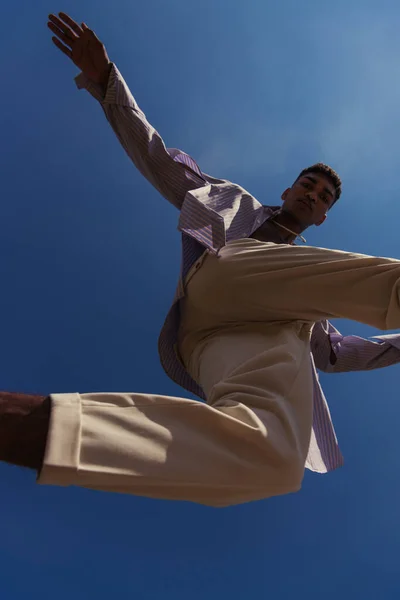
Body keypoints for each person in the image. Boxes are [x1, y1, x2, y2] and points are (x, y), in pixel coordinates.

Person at [2, 11, 400, 508]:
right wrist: (106, 81)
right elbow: (156, 158)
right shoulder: (232, 201)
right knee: (328, 279)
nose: (314, 196)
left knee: (274, 460)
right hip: (222, 286)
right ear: (289, 189)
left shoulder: (310, 279)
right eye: (308, 186)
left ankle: (30, 425)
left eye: (323, 198)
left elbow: (337, 353)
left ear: (322, 216)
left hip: (232, 344)